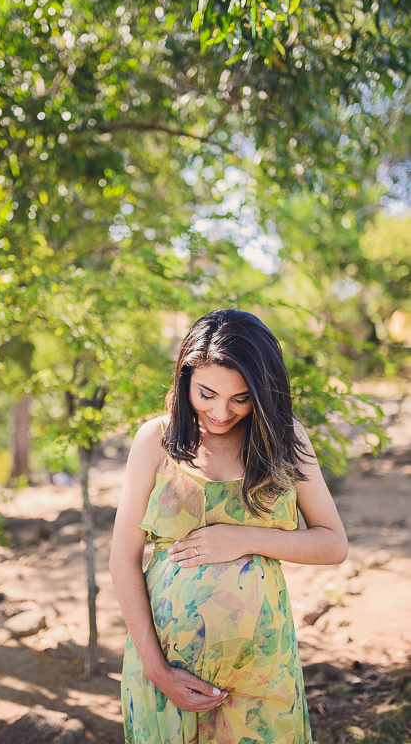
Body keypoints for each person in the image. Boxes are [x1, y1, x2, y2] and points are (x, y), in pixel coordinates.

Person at [109, 308, 348, 744]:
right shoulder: (155, 441)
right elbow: (123, 557)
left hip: (264, 668)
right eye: (207, 394)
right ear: (185, 379)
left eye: (241, 398)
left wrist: (242, 539)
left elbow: (333, 544)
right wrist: (157, 670)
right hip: (167, 666)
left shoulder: (283, 438)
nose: (221, 412)